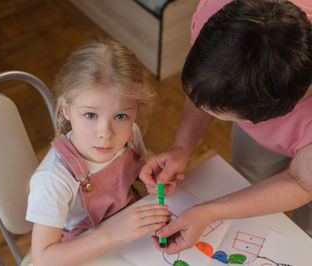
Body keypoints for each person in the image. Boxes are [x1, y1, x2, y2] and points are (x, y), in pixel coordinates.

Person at [140, 0, 312, 254]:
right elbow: (206, 91)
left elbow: (302, 181)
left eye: (223, 115)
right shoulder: (221, 16)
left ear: (269, 115)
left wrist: (210, 211)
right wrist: (182, 147)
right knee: (246, 176)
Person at [25, 39, 171, 265]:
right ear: (66, 109)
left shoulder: (130, 134)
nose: (106, 133)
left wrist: (149, 176)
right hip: (80, 251)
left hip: (128, 236)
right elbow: (43, 258)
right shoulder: (52, 179)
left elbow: (130, 175)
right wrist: (112, 234)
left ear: (134, 112)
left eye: (120, 116)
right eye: (90, 115)